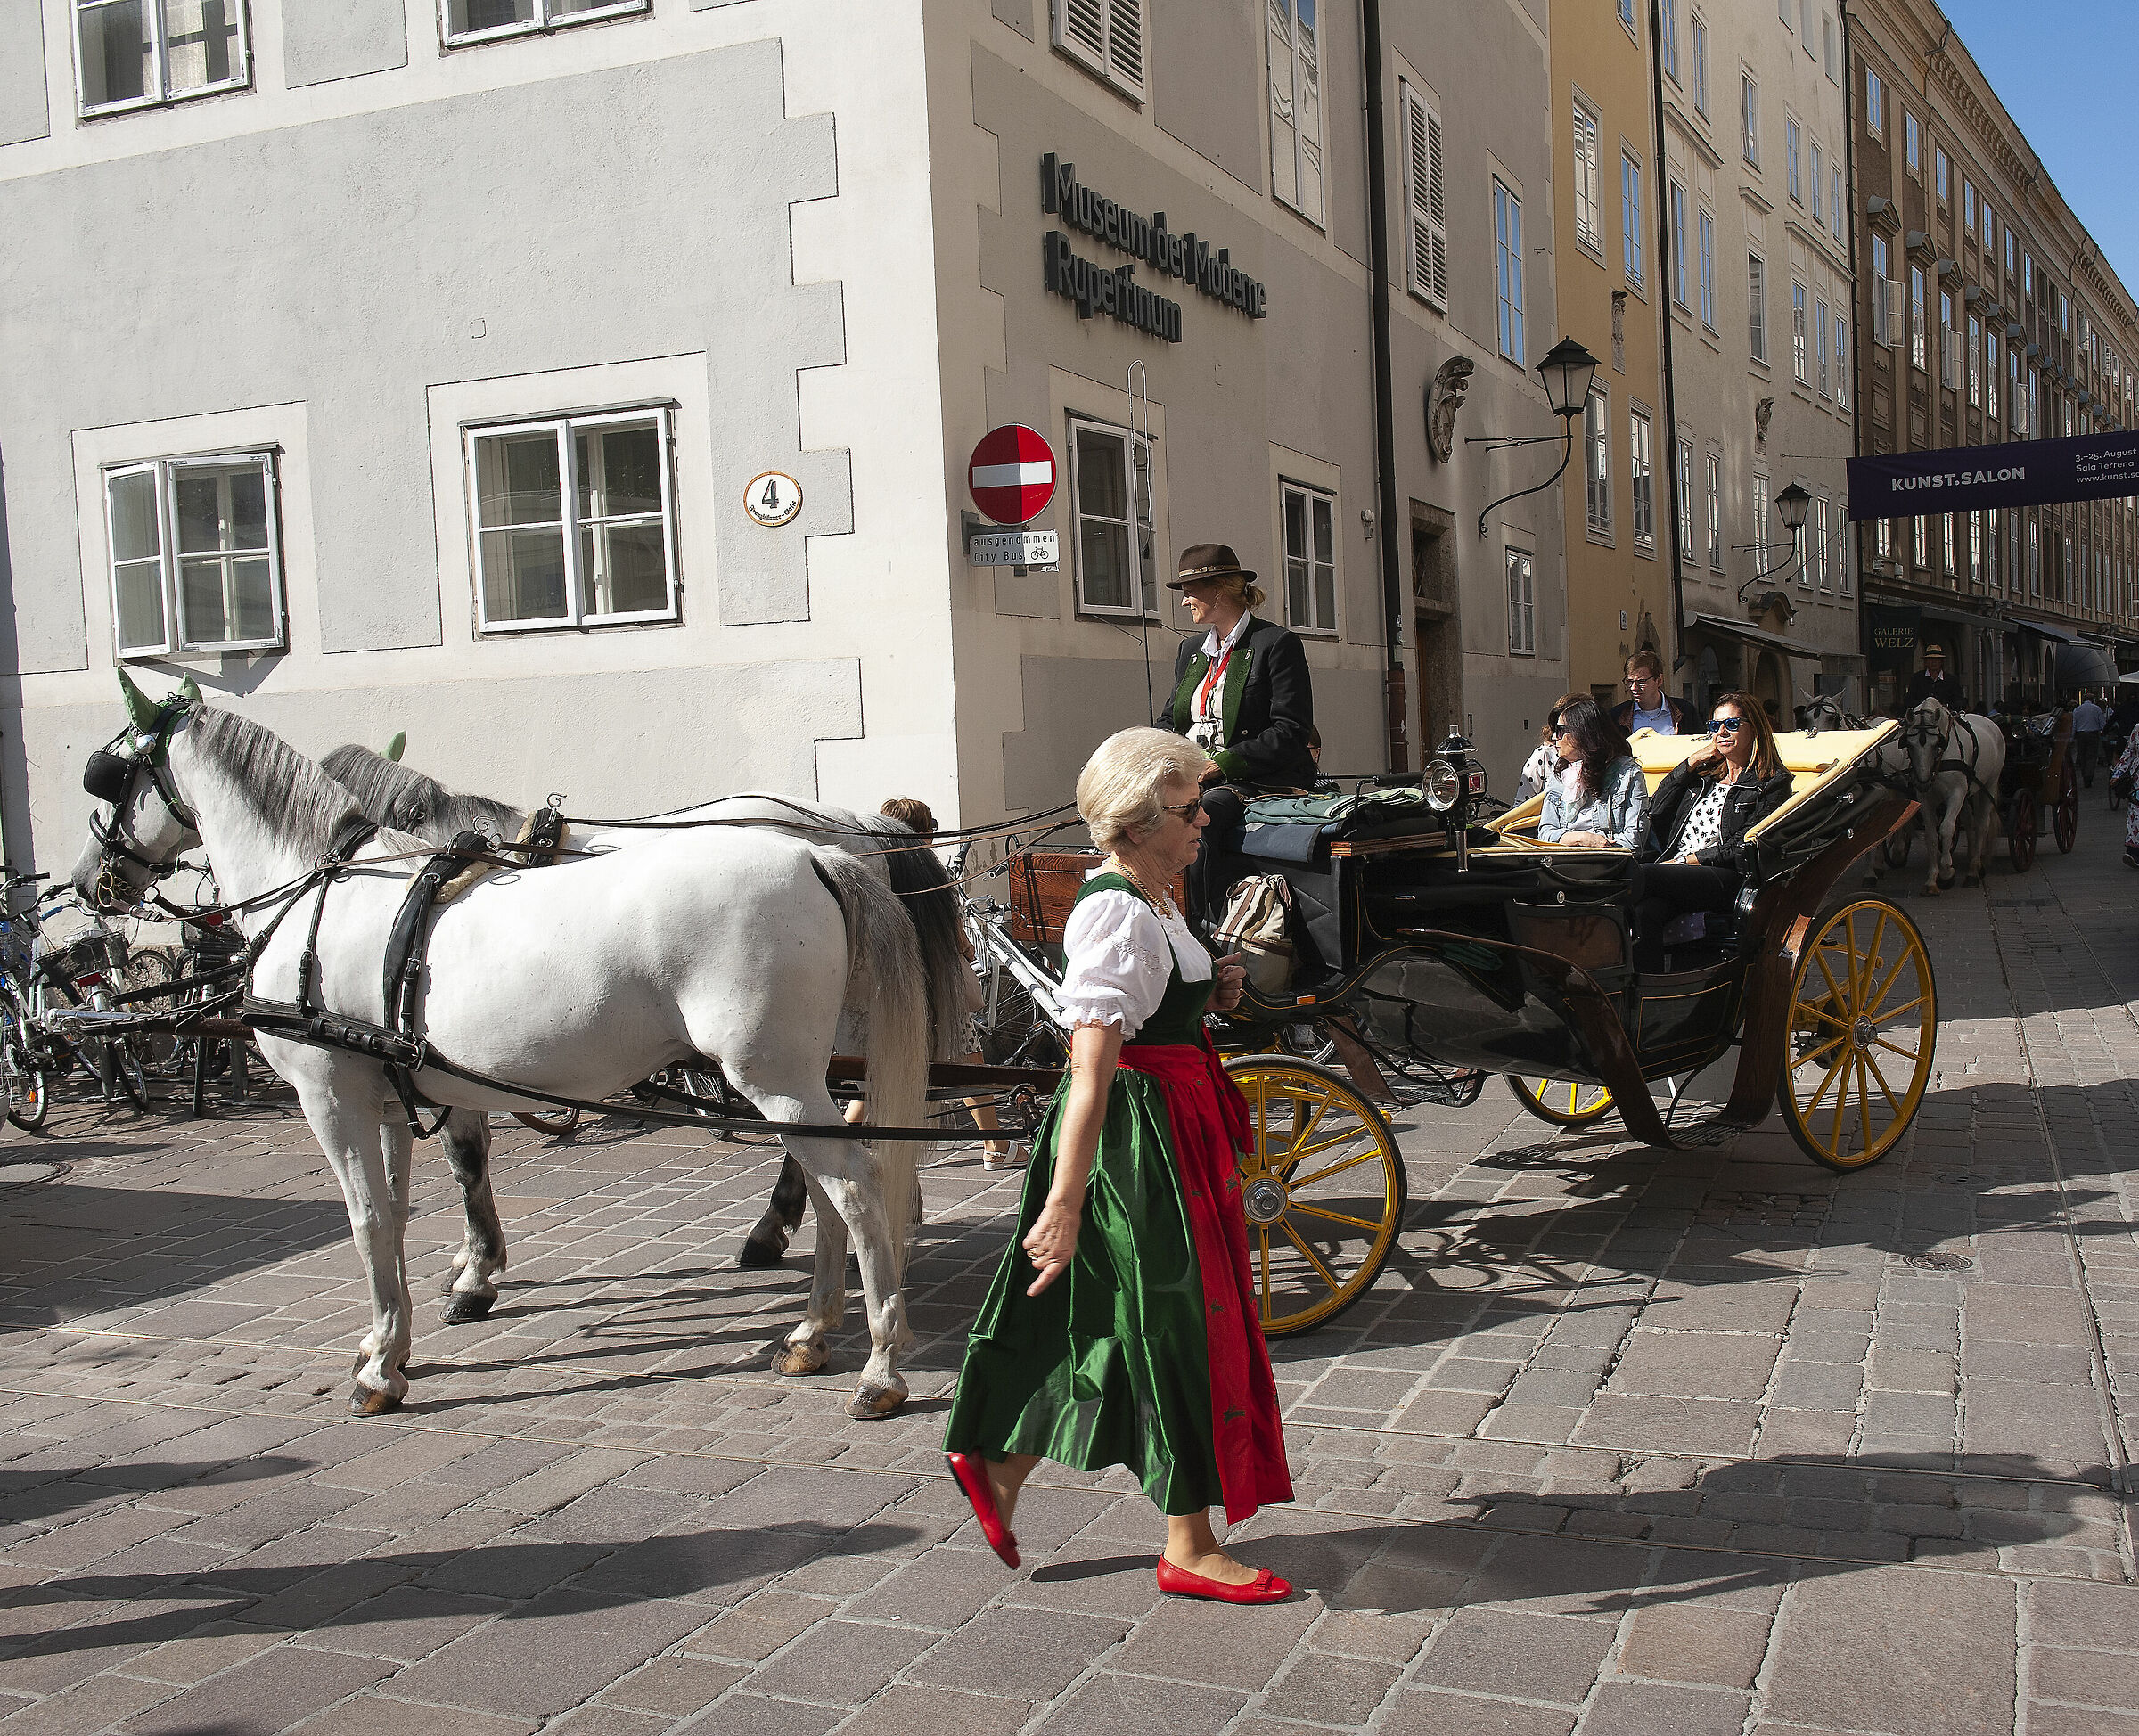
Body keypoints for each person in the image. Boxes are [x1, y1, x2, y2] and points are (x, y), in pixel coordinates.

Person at [944, 728, 1294, 1604]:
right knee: (1176, 1320)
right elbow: (1092, 1069)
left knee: (1124, 1320)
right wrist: (1064, 1201)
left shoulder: (1156, 899)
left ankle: (1001, 1464)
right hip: (1139, 1145)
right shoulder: (1118, 911)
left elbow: (1154, 1014)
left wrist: (1207, 994)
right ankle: (1189, 1544)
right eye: (1187, 809)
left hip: (1172, 1126)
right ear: (1135, 824)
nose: (1204, 821)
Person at [845, 798, 1027, 1170]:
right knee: (969, 1065)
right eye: (931, 827)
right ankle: (995, 1144)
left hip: (892, 991)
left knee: (881, 1069)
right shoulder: (929, 874)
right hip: (938, 991)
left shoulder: (875, 875)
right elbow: (957, 939)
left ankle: (841, 1137)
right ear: (921, 833)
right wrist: (966, 946)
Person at [1156, 544, 1315, 921]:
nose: (1184, 602)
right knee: (1136, 810)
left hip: (1253, 778)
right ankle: (1151, 917)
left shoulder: (1275, 644)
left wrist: (1222, 764)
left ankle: (1202, 929)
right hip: (1194, 773)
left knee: (1199, 816)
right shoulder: (1191, 650)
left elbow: (1291, 729)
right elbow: (1169, 720)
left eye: (1190, 592)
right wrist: (1151, 755)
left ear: (1218, 591)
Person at [1632, 694, 1796, 967]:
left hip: (1727, 875)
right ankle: (1647, 989)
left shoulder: (1772, 784)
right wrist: (1691, 762)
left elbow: (1744, 844)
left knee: (1640, 874)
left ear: (1754, 727)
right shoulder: (1705, 777)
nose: (1721, 732)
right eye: (1714, 726)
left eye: (1731, 724)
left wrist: (1685, 861)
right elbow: (1657, 809)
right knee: (1645, 913)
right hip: (1679, 873)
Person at [1537, 698, 1649, 849]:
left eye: (1560, 730)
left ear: (1583, 733)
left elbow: (1634, 840)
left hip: (1609, 860)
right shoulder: (1560, 774)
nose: (1554, 737)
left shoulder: (1627, 774)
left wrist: (1595, 845)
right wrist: (1581, 839)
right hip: (1564, 860)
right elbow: (1545, 832)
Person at [1518, 692, 1588, 799]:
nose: (1555, 737)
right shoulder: (1544, 755)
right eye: (1557, 728)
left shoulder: (1604, 762)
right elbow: (1521, 803)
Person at [1611, 651, 1693, 737]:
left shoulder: (1685, 711)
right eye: (1630, 681)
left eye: (1641, 681)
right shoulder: (1616, 716)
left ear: (1659, 680)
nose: (1633, 688)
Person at [1902, 646, 1965, 714]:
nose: (1933, 662)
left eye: (1937, 659)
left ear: (1941, 662)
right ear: (1926, 662)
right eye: (1930, 659)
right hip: (1921, 714)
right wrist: (1925, 705)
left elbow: (1959, 701)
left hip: (1945, 715)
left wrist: (1946, 706)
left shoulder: (1951, 680)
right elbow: (1908, 700)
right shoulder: (1917, 678)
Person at [2112, 726, 2139, 869]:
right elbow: (2128, 753)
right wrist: (2117, 774)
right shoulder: (2138, 729)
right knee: (2136, 813)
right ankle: (2133, 851)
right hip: (2137, 781)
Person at [2071, 689, 2106, 790]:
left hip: (2081, 735)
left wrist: (2072, 738)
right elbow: (2102, 723)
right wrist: (2102, 731)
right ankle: (2089, 776)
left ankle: (2084, 774)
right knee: (2091, 756)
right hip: (2093, 734)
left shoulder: (2077, 710)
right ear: (2093, 700)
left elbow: (2074, 725)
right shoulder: (2096, 709)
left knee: (2082, 756)